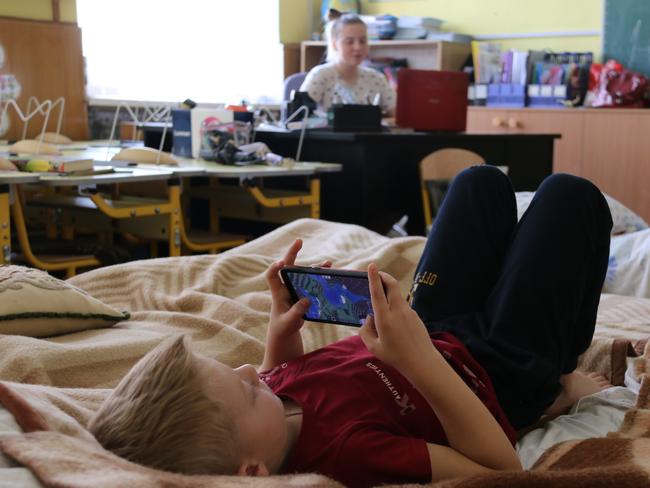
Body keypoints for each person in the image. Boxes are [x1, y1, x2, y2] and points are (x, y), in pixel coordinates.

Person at [89, 166, 613, 487]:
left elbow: (279, 377)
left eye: (237, 372)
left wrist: (281, 329)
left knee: (479, 184)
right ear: (254, 473)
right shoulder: (347, 455)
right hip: (498, 372)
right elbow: (498, 472)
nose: (251, 372)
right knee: (571, 196)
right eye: (247, 393)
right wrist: (417, 359)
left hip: (427, 330)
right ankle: (556, 383)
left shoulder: (266, 409)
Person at [299, 13, 396, 115]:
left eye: (362, 41)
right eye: (349, 42)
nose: (357, 47)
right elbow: (299, 114)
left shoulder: (377, 78)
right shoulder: (321, 75)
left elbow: (396, 114)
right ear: (335, 44)